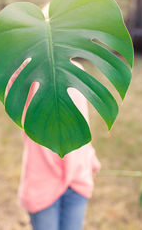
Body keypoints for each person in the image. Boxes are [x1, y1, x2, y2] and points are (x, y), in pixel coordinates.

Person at [6, 59, 101, 230]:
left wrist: (90, 156)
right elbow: (12, 95)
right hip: (43, 182)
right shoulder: (30, 70)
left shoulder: (78, 70)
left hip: (77, 179)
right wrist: (27, 59)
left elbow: (81, 124)